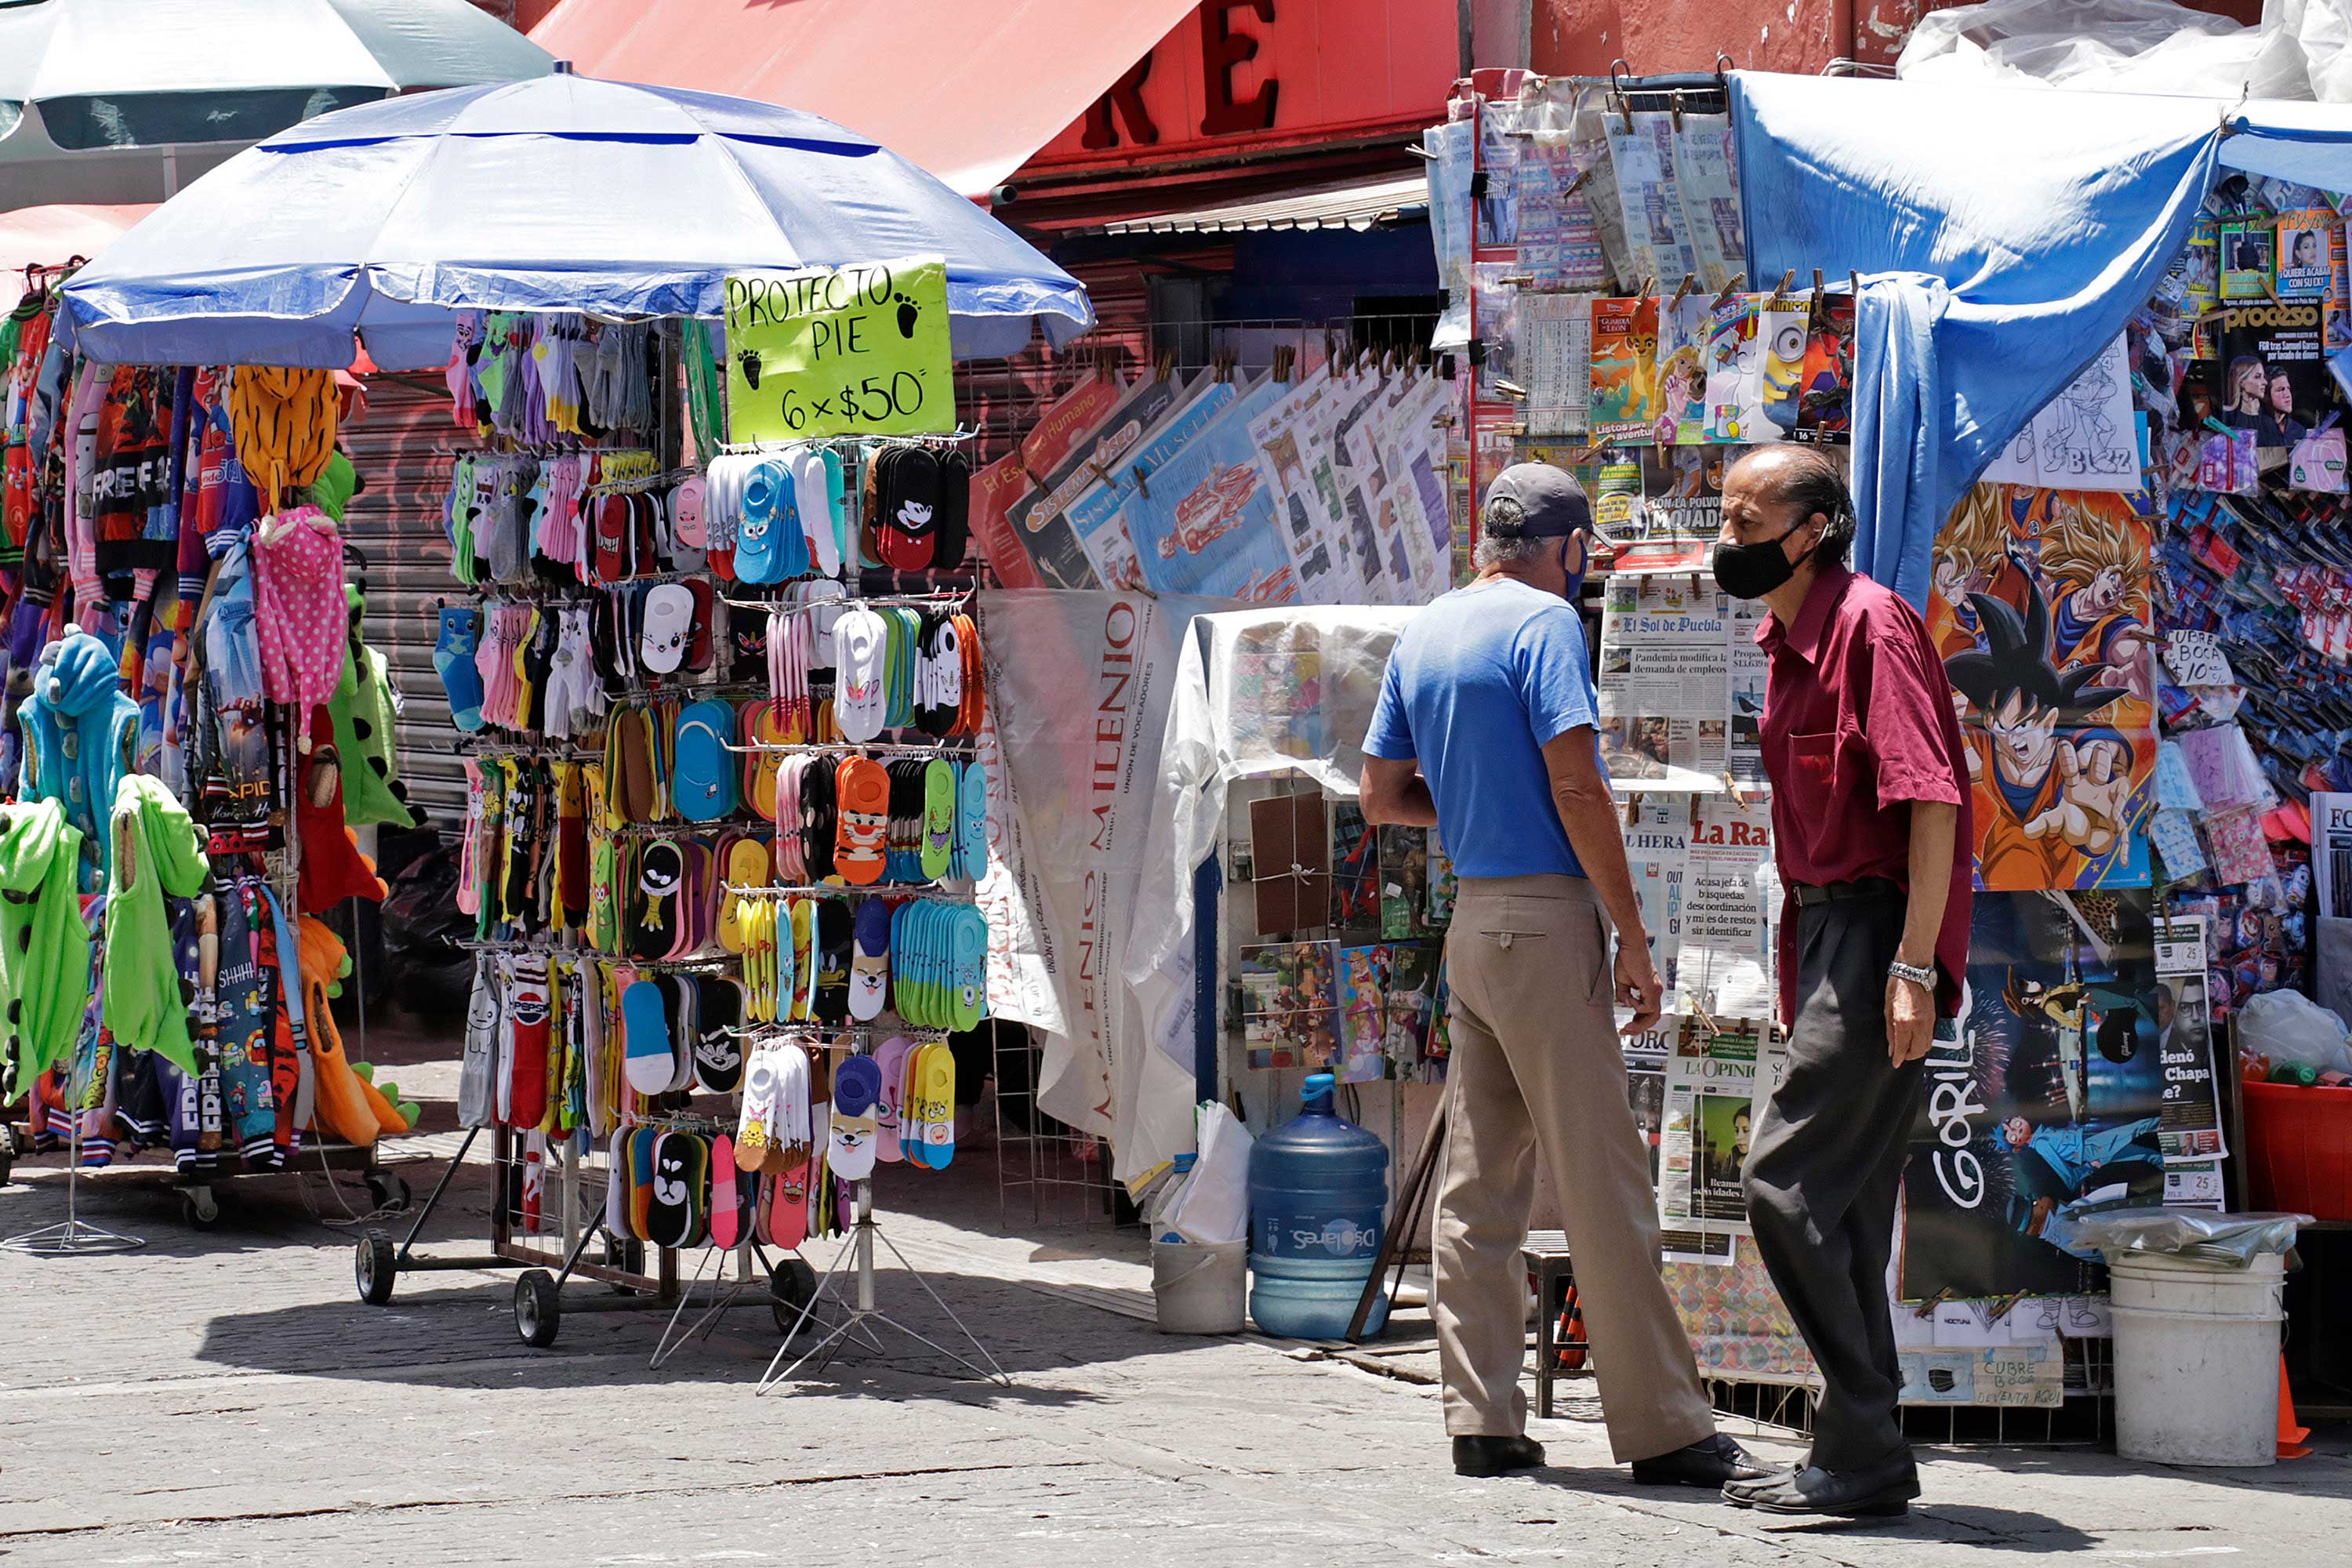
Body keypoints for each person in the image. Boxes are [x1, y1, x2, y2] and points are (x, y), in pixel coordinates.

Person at [1359, 463, 1766, 1490]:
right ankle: (1666, 1430)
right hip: (1546, 925)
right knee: (1602, 1181)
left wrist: (1472, 809)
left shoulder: (1429, 628)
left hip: (1474, 924)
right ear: (1571, 547)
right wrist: (1631, 935)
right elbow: (1578, 787)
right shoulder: (1542, 626)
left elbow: (1381, 797)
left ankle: (1482, 1421)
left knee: (1480, 1186)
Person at [1710, 447, 1973, 1519]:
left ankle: (1861, 1431)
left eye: (1747, 522)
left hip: (1875, 938)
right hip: (1824, 932)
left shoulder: (1871, 625)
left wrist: (1913, 965)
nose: (1727, 541)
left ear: (1812, 530)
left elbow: (1932, 800)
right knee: (1851, 1210)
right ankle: (1864, 1455)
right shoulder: (1787, 641)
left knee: (1781, 1182)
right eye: (1724, 519)